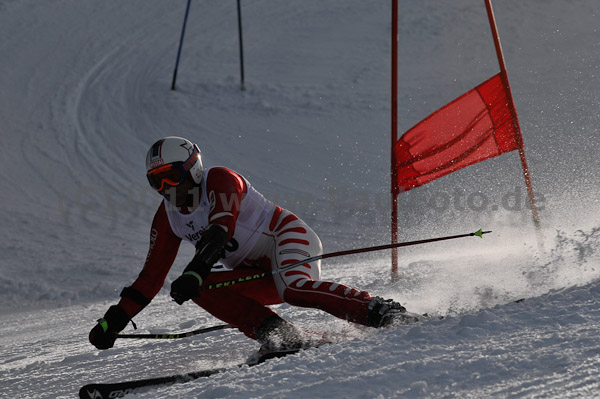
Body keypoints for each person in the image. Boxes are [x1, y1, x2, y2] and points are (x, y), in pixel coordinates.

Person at [89, 136, 418, 353]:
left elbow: (220, 230)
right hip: (253, 271)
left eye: (172, 177)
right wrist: (114, 320)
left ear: (194, 170)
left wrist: (194, 270)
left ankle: (380, 310)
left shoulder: (220, 180)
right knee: (200, 287)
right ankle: (281, 336)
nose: (166, 188)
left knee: (294, 289)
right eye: (156, 182)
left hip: (286, 238)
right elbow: (149, 279)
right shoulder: (168, 217)